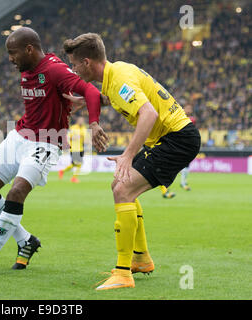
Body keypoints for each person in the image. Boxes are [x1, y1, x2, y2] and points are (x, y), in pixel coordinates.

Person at [63, 33, 201, 290]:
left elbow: (147, 113)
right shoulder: (115, 74)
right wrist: (87, 101)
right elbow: (113, 97)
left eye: (74, 64)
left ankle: (124, 273)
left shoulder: (119, 79)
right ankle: (141, 259)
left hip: (176, 139)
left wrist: (127, 155)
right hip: (170, 138)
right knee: (119, 184)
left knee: (123, 188)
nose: (73, 69)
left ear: (87, 62)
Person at [0, 27, 108, 277]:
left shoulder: (54, 69)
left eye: (13, 53)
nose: (10, 59)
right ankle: (26, 241)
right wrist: (67, 102)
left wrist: (94, 123)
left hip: (46, 142)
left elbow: (90, 90)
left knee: (17, 191)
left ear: (29, 49)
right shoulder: (27, 69)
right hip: (20, 135)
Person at [58, 116, 88, 183]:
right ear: (77, 121)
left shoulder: (84, 128)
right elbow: (69, 137)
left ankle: (62, 171)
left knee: (75, 164)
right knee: (78, 163)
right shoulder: (73, 128)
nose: (81, 122)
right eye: (80, 120)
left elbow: (85, 138)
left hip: (80, 148)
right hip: (74, 148)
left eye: (82, 120)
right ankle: (73, 178)